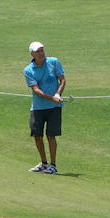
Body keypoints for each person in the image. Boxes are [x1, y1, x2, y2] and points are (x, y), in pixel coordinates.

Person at [24, 40, 65, 174]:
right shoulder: (28, 70)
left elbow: (62, 80)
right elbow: (36, 90)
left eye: (42, 50)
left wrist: (58, 94)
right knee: (37, 135)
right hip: (37, 107)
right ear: (32, 54)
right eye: (38, 51)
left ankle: (53, 165)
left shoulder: (53, 62)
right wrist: (51, 97)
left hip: (54, 107)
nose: (41, 53)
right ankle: (44, 163)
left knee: (51, 135)